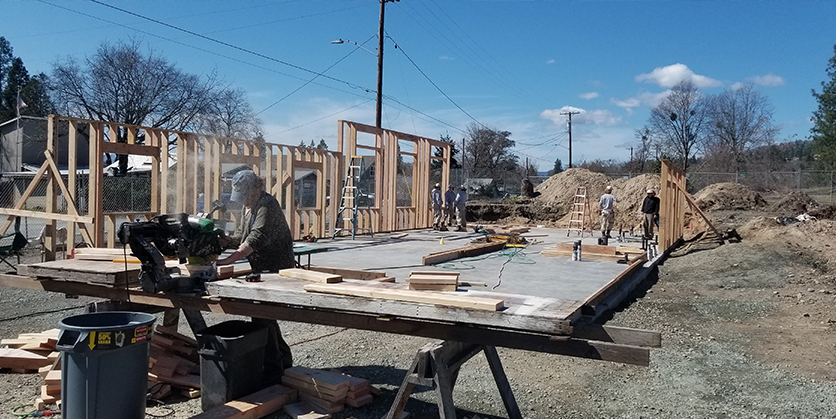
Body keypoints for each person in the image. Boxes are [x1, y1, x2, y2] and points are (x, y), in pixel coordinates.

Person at [216, 170, 294, 384]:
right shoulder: (249, 206)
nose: (244, 201)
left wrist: (229, 260)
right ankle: (282, 360)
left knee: (262, 314)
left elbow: (255, 238)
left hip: (277, 267)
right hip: (261, 267)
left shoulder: (267, 205)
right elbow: (243, 234)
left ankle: (274, 369)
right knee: (263, 316)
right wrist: (226, 241)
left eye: (246, 196)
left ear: (256, 189)